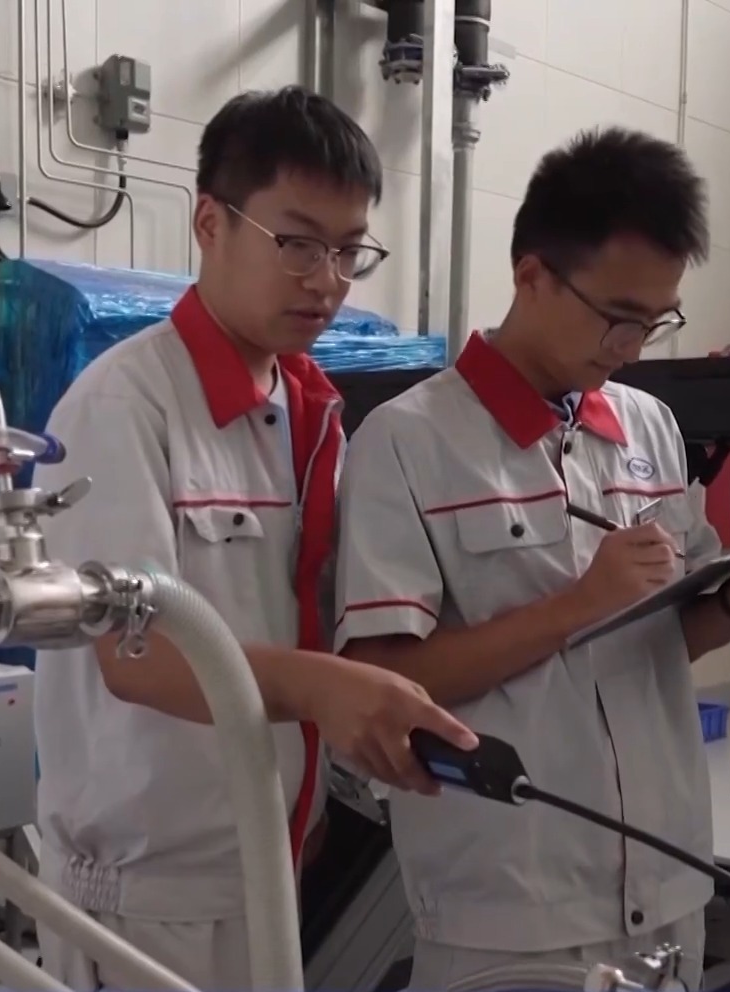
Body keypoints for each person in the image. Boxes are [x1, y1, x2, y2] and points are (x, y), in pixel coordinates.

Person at [334, 127, 730, 990]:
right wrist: (576, 605)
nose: (633, 346)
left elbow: (659, 643)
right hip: (512, 907)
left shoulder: (648, 428)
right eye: (618, 317)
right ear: (531, 275)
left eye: (656, 321)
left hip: (669, 877)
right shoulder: (409, 443)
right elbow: (385, 686)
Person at [31, 86, 477, 991]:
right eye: (298, 243)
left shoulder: (308, 412)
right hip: (147, 897)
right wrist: (321, 688)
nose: (327, 280)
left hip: (270, 861)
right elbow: (136, 657)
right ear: (210, 223)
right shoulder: (126, 406)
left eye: (349, 250)